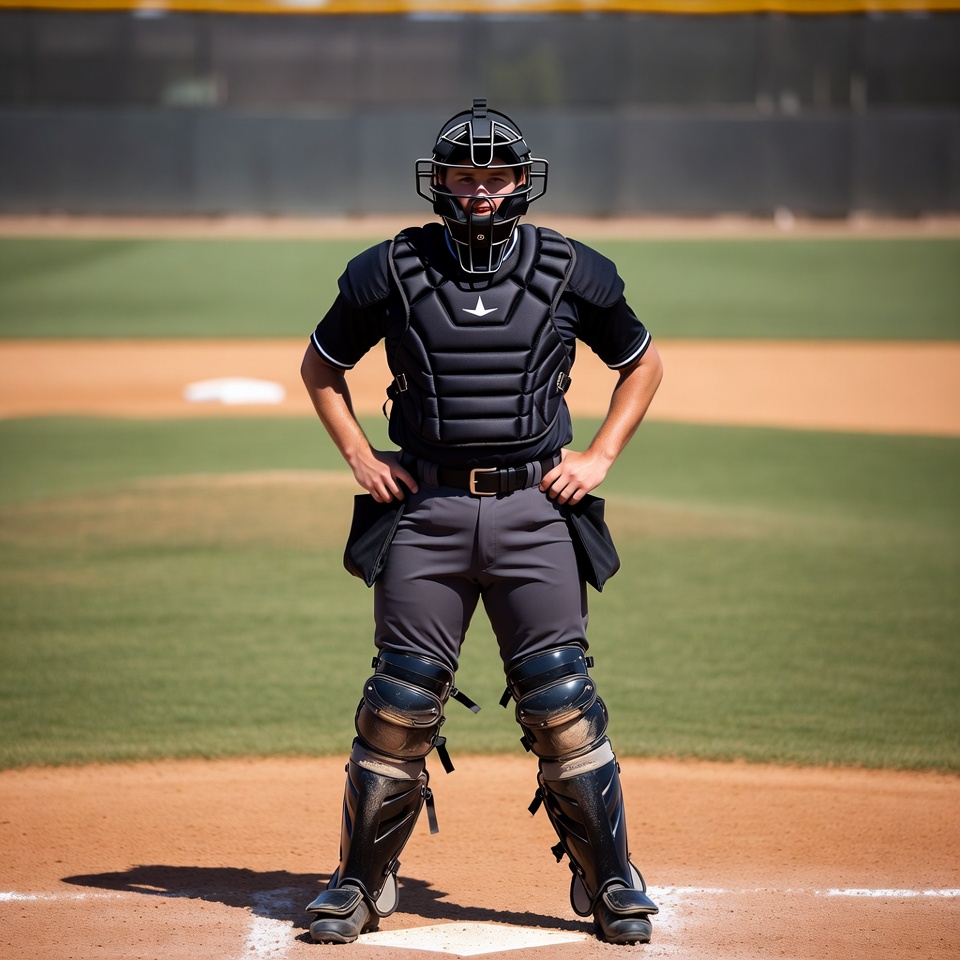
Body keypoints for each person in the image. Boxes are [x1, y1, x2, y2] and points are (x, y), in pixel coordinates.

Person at [300, 99, 663, 946]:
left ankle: (609, 879)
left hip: (537, 510)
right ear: (440, 183)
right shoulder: (387, 267)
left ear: (521, 182)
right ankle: (360, 881)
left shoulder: (574, 267)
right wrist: (360, 455)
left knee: (563, 701)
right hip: (422, 511)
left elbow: (641, 362)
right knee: (398, 701)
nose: (481, 190)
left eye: (496, 174)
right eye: (465, 174)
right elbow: (321, 363)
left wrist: (601, 455)